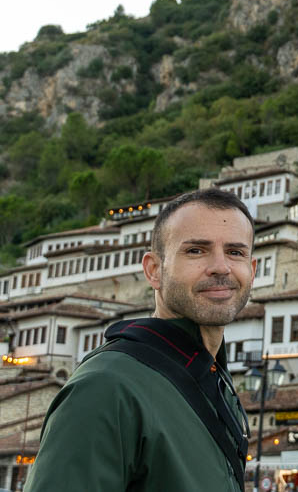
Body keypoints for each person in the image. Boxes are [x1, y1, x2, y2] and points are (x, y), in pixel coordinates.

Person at [25, 189, 259, 491]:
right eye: (196, 251)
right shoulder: (107, 387)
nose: (221, 266)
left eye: (235, 252)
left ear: (252, 271)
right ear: (154, 270)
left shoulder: (215, 384)